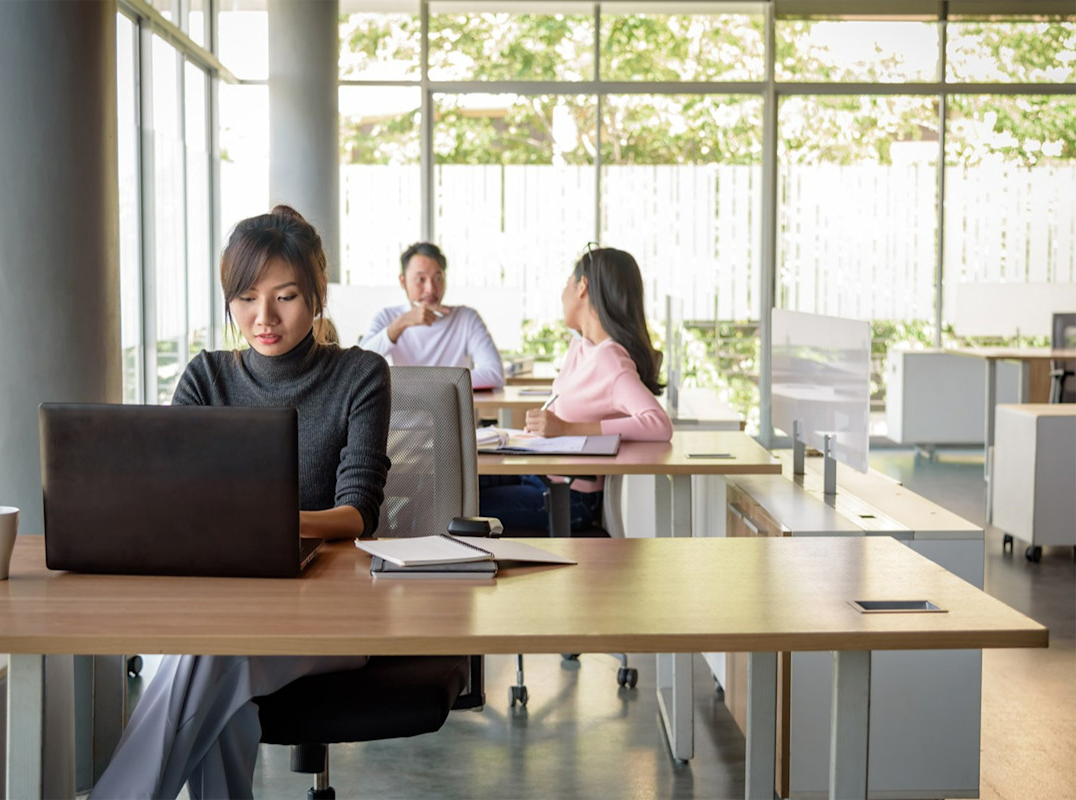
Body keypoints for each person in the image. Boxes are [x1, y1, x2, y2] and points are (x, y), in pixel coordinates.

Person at [90, 206, 392, 800]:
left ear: (317, 295)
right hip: (220, 608)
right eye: (247, 298)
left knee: (207, 655)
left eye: (286, 297)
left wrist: (265, 522)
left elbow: (359, 512)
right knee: (222, 697)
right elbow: (170, 502)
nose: (265, 318)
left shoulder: (361, 374)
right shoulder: (206, 378)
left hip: (332, 617)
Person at [479, 246, 673, 532]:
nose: (561, 295)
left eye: (566, 284)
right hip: (539, 475)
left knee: (451, 510)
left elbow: (658, 424)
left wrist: (569, 428)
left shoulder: (610, 359)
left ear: (582, 286)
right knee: (440, 487)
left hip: (569, 497)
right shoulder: (581, 347)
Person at [359, 242, 505, 389]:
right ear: (403, 281)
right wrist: (400, 324)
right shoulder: (387, 317)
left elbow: (494, 374)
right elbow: (358, 367)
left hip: (453, 411)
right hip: (405, 410)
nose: (430, 289)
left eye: (438, 278)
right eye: (420, 279)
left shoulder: (466, 318)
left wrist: (418, 383)